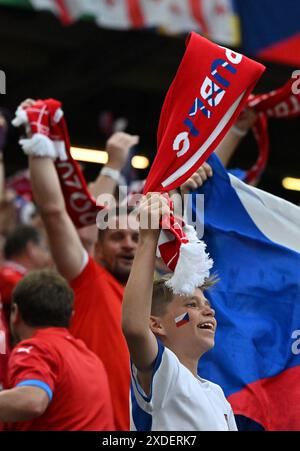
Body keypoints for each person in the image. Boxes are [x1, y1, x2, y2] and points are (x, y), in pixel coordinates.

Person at [19, 95, 139, 430]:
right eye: (117, 238)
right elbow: (56, 214)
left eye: (135, 237)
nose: (129, 244)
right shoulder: (90, 280)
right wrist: (38, 139)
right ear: (97, 250)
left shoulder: (155, 301)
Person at [122, 193, 237, 431]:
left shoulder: (218, 396)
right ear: (156, 324)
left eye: (207, 305)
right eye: (192, 305)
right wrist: (147, 238)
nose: (209, 312)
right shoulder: (165, 372)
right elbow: (134, 327)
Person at [0, 269, 114, 431]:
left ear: (16, 313)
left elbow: (32, 401)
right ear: (71, 316)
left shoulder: (35, 348)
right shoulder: (91, 358)